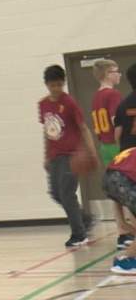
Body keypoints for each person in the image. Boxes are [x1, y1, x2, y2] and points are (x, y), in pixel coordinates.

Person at [39, 64, 95, 248]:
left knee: (67, 193)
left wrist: (90, 150)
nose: (56, 88)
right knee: (56, 194)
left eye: (59, 84)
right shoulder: (43, 104)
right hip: (54, 156)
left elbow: (83, 127)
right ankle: (84, 219)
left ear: (63, 83)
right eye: (52, 85)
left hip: (71, 155)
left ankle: (79, 234)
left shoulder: (69, 102)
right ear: (46, 84)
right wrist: (46, 155)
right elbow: (47, 130)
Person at [91, 59, 134, 248]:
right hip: (116, 146)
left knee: (115, 194)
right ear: (107, 74)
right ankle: (128, 231)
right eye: (115, 71)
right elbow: (117, 123)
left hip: (103, 145)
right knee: (128, 187)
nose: (118, 74)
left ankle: (121, 231)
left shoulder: (96, 97)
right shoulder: (114, 95)